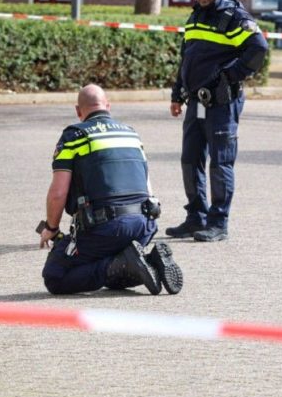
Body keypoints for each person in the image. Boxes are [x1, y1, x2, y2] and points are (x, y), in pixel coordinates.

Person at [39, 85, 183, 295]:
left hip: (104, 229)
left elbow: (58, 193)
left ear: (78, 111)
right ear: (108, 106)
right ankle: (150, 261)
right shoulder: (131, 134)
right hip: (143, 226)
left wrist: (51, 228)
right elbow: (147, 185)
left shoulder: (74, 136)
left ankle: (122, 264)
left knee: (56, 277)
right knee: (117, 272)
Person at [166, 0, 268, 242]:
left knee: (220, 163)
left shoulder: (233, 16)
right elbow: (187, 58)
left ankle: (218, 222)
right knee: (190, 159)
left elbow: (259, 48)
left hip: (222, 103)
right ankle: (195, 217)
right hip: (196, 102)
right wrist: (177, 94)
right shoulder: (197, 14)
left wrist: (229, 77)